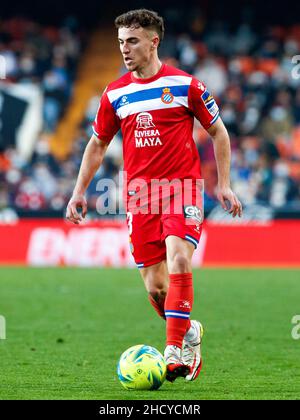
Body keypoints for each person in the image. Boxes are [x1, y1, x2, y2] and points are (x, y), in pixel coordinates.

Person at [66, 9, 242, 382]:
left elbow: (220, 133)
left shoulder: (186, 85)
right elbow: (97, 144)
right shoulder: (115, 93)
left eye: (131, 41)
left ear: (153, 41)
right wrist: (79, 191)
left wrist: (224, 184)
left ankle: (174, 351)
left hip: (183, 188)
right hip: (141, 196)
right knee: (158, 289)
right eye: (120, 43)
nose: (124, 50)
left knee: (179, 259)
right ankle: (189, 331)